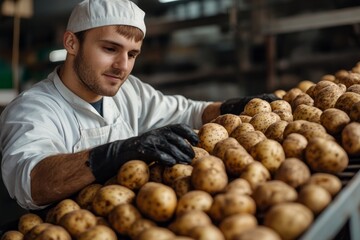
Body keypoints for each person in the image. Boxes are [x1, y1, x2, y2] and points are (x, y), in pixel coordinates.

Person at [0, 0, 278, 211]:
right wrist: (119, 152)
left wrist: (233, 107)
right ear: (72, 43)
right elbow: (32, 182)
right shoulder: (32, 109)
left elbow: (188, 112)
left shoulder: (130, 92)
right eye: (110, 49)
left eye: (132, 54)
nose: (123, 66)